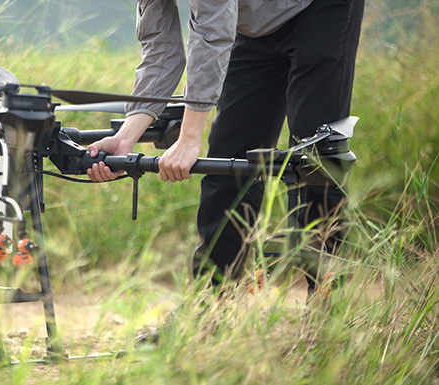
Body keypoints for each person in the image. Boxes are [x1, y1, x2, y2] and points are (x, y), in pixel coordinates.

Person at [87, 0, 364, 284]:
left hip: (320, 9)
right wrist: (126, 136)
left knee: (316, 156)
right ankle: (211, 307)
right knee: (228, 162)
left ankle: (327, 306)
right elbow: (161, 53)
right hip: (252, 27)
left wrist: (189, 138)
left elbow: (212, 31)